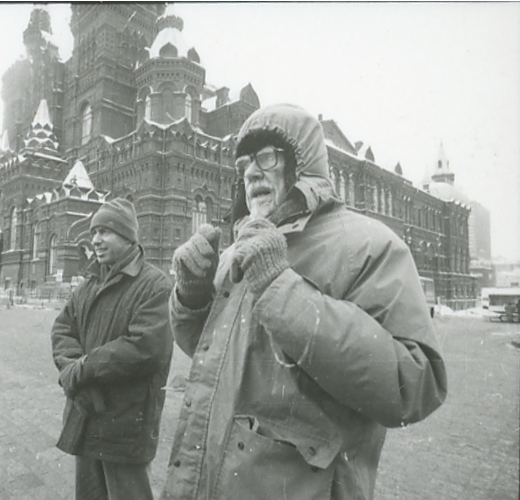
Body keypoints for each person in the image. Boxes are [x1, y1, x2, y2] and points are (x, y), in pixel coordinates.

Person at [161, 103, 448, 500]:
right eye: (245, 162)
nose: (251, 172)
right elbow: (213, 356)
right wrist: (191, 297)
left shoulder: (366, 244)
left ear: (302, 163)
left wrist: (281, 288)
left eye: (266, 157)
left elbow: (416, 384)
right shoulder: (240, 250)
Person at [50, 198, 174, 500]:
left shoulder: (155, 286)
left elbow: (144, 348)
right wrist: (71, 368)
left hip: (126, 428)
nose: (95, 240)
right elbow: (63, 329)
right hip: (87, 417)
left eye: (105, 231)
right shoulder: (89, 284)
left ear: (127, 236)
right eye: (94, 232)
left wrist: (81, 369)